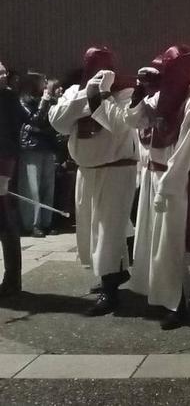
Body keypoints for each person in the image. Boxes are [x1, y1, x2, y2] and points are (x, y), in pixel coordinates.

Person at [48, 47, 138, 316]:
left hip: (115, 169)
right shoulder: (75, 91)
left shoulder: (125, 93)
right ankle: (112, 274)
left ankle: (110, 291)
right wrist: (88, 93)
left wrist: (101, 94)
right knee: (90, 228)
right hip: (87, 170)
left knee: (107, 229)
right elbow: (58, 122)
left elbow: (118, 124)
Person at [126, 46, 190, 330]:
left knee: (170, 243)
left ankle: (177, 303)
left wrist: (167, 186)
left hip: (173, 181)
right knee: (152, 241)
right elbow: (132, 122)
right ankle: (166, 291)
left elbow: (185, 149)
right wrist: (139, 95)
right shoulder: (161, 96)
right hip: (153, 176)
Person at [18, 73, 58, 238]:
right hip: (31, 147)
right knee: (32, 188)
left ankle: (46, 222)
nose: (46, 84)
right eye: (43, 81)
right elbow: (36, 120)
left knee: (48, 187)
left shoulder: (49, 101)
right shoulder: (23, 101)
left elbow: (54, 122)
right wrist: (45, 101)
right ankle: (32, 224)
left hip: (47, 146)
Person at [0, 61, 25, 296]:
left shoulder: (8, 97)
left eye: (4, 72)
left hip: (3, 160)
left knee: (6, 219)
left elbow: (24, 122)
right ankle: (12, 279)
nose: (3, 75)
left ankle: (12, 278)